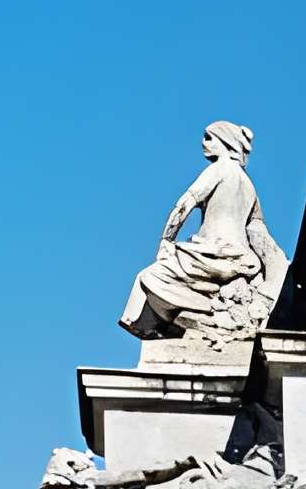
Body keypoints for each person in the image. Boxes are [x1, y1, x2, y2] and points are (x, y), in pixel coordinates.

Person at [120, 122, 288, 351]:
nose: (204, 143)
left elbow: (184, 205)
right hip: (240, 261)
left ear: (226, 142)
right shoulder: (249, 186)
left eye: (209, 137)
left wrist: (166, 241)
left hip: (209, 254)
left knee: (148, 279)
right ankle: (209, 321)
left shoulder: (219, 169)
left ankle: (178, 322)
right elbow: (259, 235)